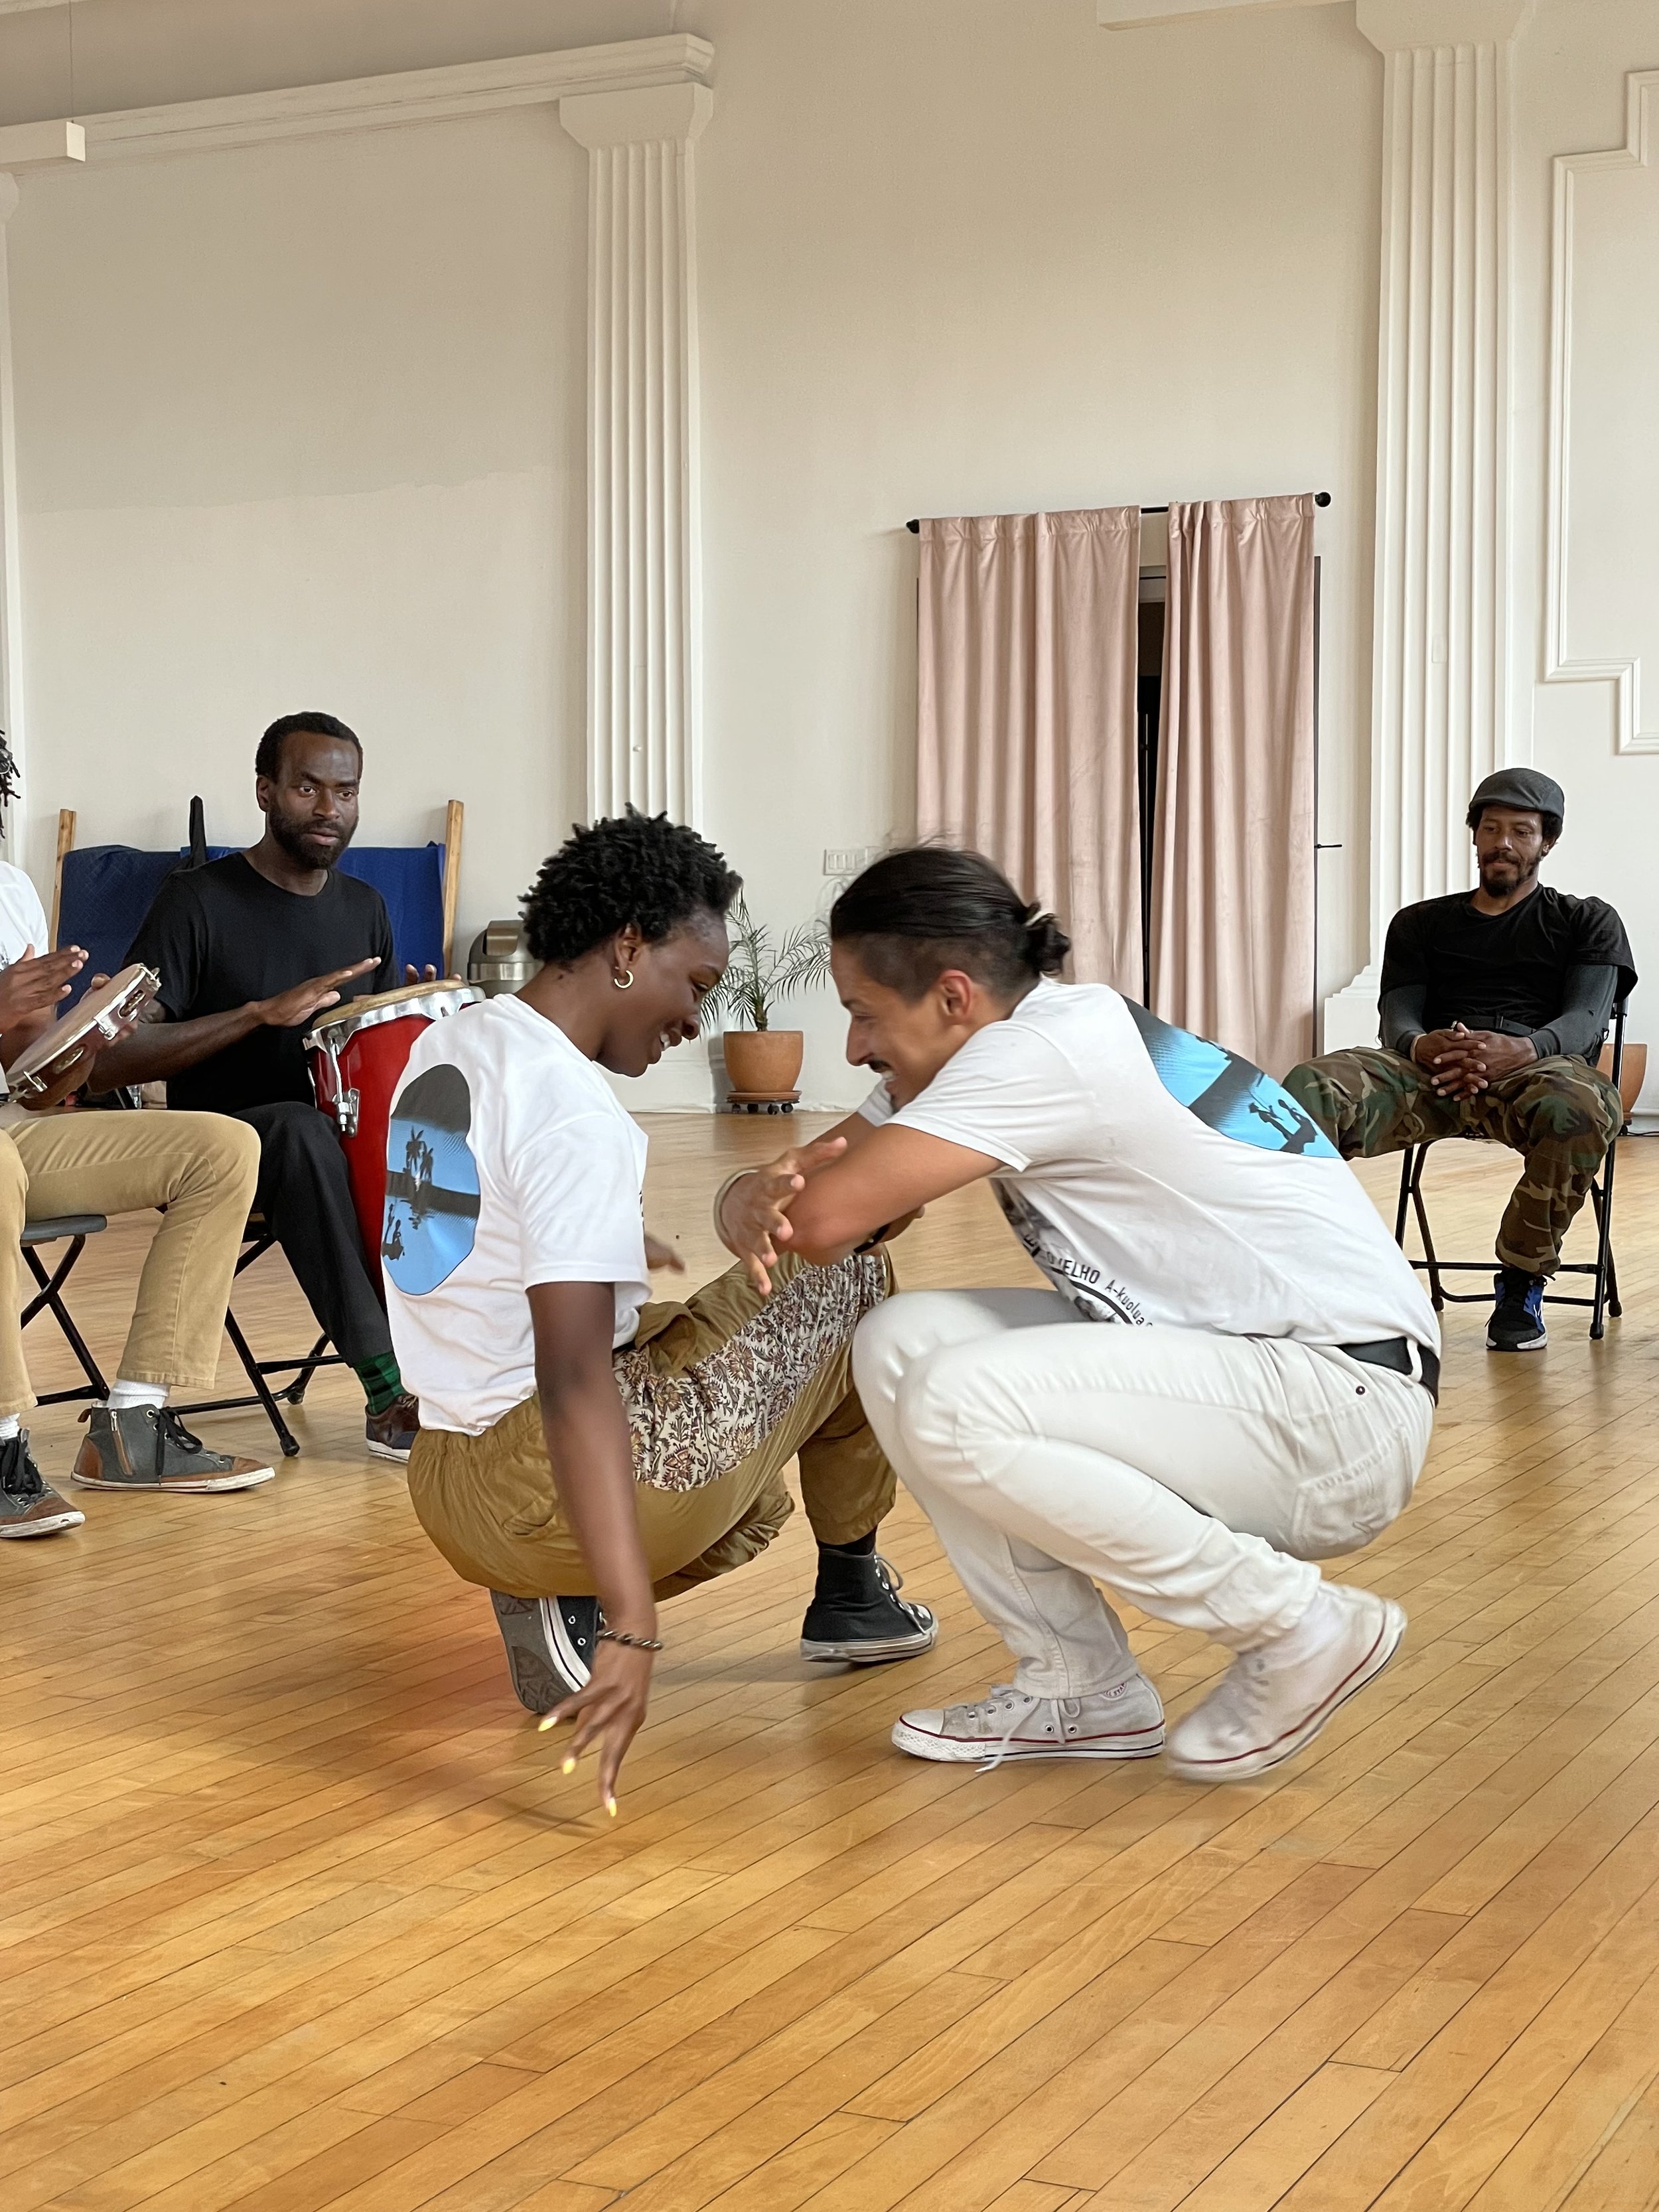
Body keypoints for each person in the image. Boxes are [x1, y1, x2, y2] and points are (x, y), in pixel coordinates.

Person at [714, 847, 1441, 1785]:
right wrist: (747, 1194)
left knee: (956, 1398)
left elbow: (812, 1219)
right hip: (1265, 1380)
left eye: (863, 1014)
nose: (854, 1048)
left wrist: (757, 1201)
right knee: (900, 1345)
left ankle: (1297, 1625)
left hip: (1335, 1408)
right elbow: (815, 1195)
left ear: (952, 995)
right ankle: (1079, 1685)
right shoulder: (1013, 1038)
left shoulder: (1037, 1053)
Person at [383, 810, 936, 1811]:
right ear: (628, 947)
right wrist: (636, 1626)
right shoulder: (571, 1108)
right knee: (849, 1274)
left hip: (445, 1479)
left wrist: (603, 1242)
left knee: (756, 1492)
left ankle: (562, 1590)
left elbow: (459, 1224)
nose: (696, 1020)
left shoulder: (451, 1044)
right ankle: (846, 1591)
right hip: (536, 1480)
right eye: (698, 984)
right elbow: (572, 1381)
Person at [92, 713, 427, 1459]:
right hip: (220, 1146)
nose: (329, 808)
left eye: (346, 791)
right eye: (308, 788)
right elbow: (112, 1058)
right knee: (301, 1131)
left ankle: (477, 1369)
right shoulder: (196, 901)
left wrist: (419, 1024)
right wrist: (255, 1015)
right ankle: (388, 1391)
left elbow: (369, 1064)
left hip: (335, 1149)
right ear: (265, 791)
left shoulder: (366, 909)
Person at [1283, 769, 1634, 1353]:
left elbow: (1585, 1019)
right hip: (1433, 1069)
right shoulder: (1420, 922)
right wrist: (1421, 1044)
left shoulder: (1586, 920)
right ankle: (1305, 1268)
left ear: (1547, 841)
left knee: (1583, 1107)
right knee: (1311, 1085)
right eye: (1490, 828)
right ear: (1474, 835)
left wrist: (1522, 1048)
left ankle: (1522, 1280)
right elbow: (1398, 1011)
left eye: (1521, 831)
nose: (1503, 843)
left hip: (1537, 1067)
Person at [0, 881, 274, 1540]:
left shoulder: (11, 889)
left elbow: (29, 1082)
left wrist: (82, 1042)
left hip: (10, 1129)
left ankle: (132, 1429)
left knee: (223, 1148)